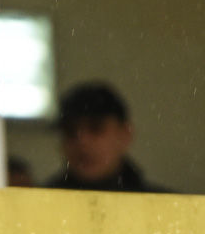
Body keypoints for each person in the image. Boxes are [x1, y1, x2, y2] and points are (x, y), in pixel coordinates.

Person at [42, 81, 170, 192]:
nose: (82, 141)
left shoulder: (161, 205)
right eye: (70, 131)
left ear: (125, 134)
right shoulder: (41, 201)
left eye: (96, 128)